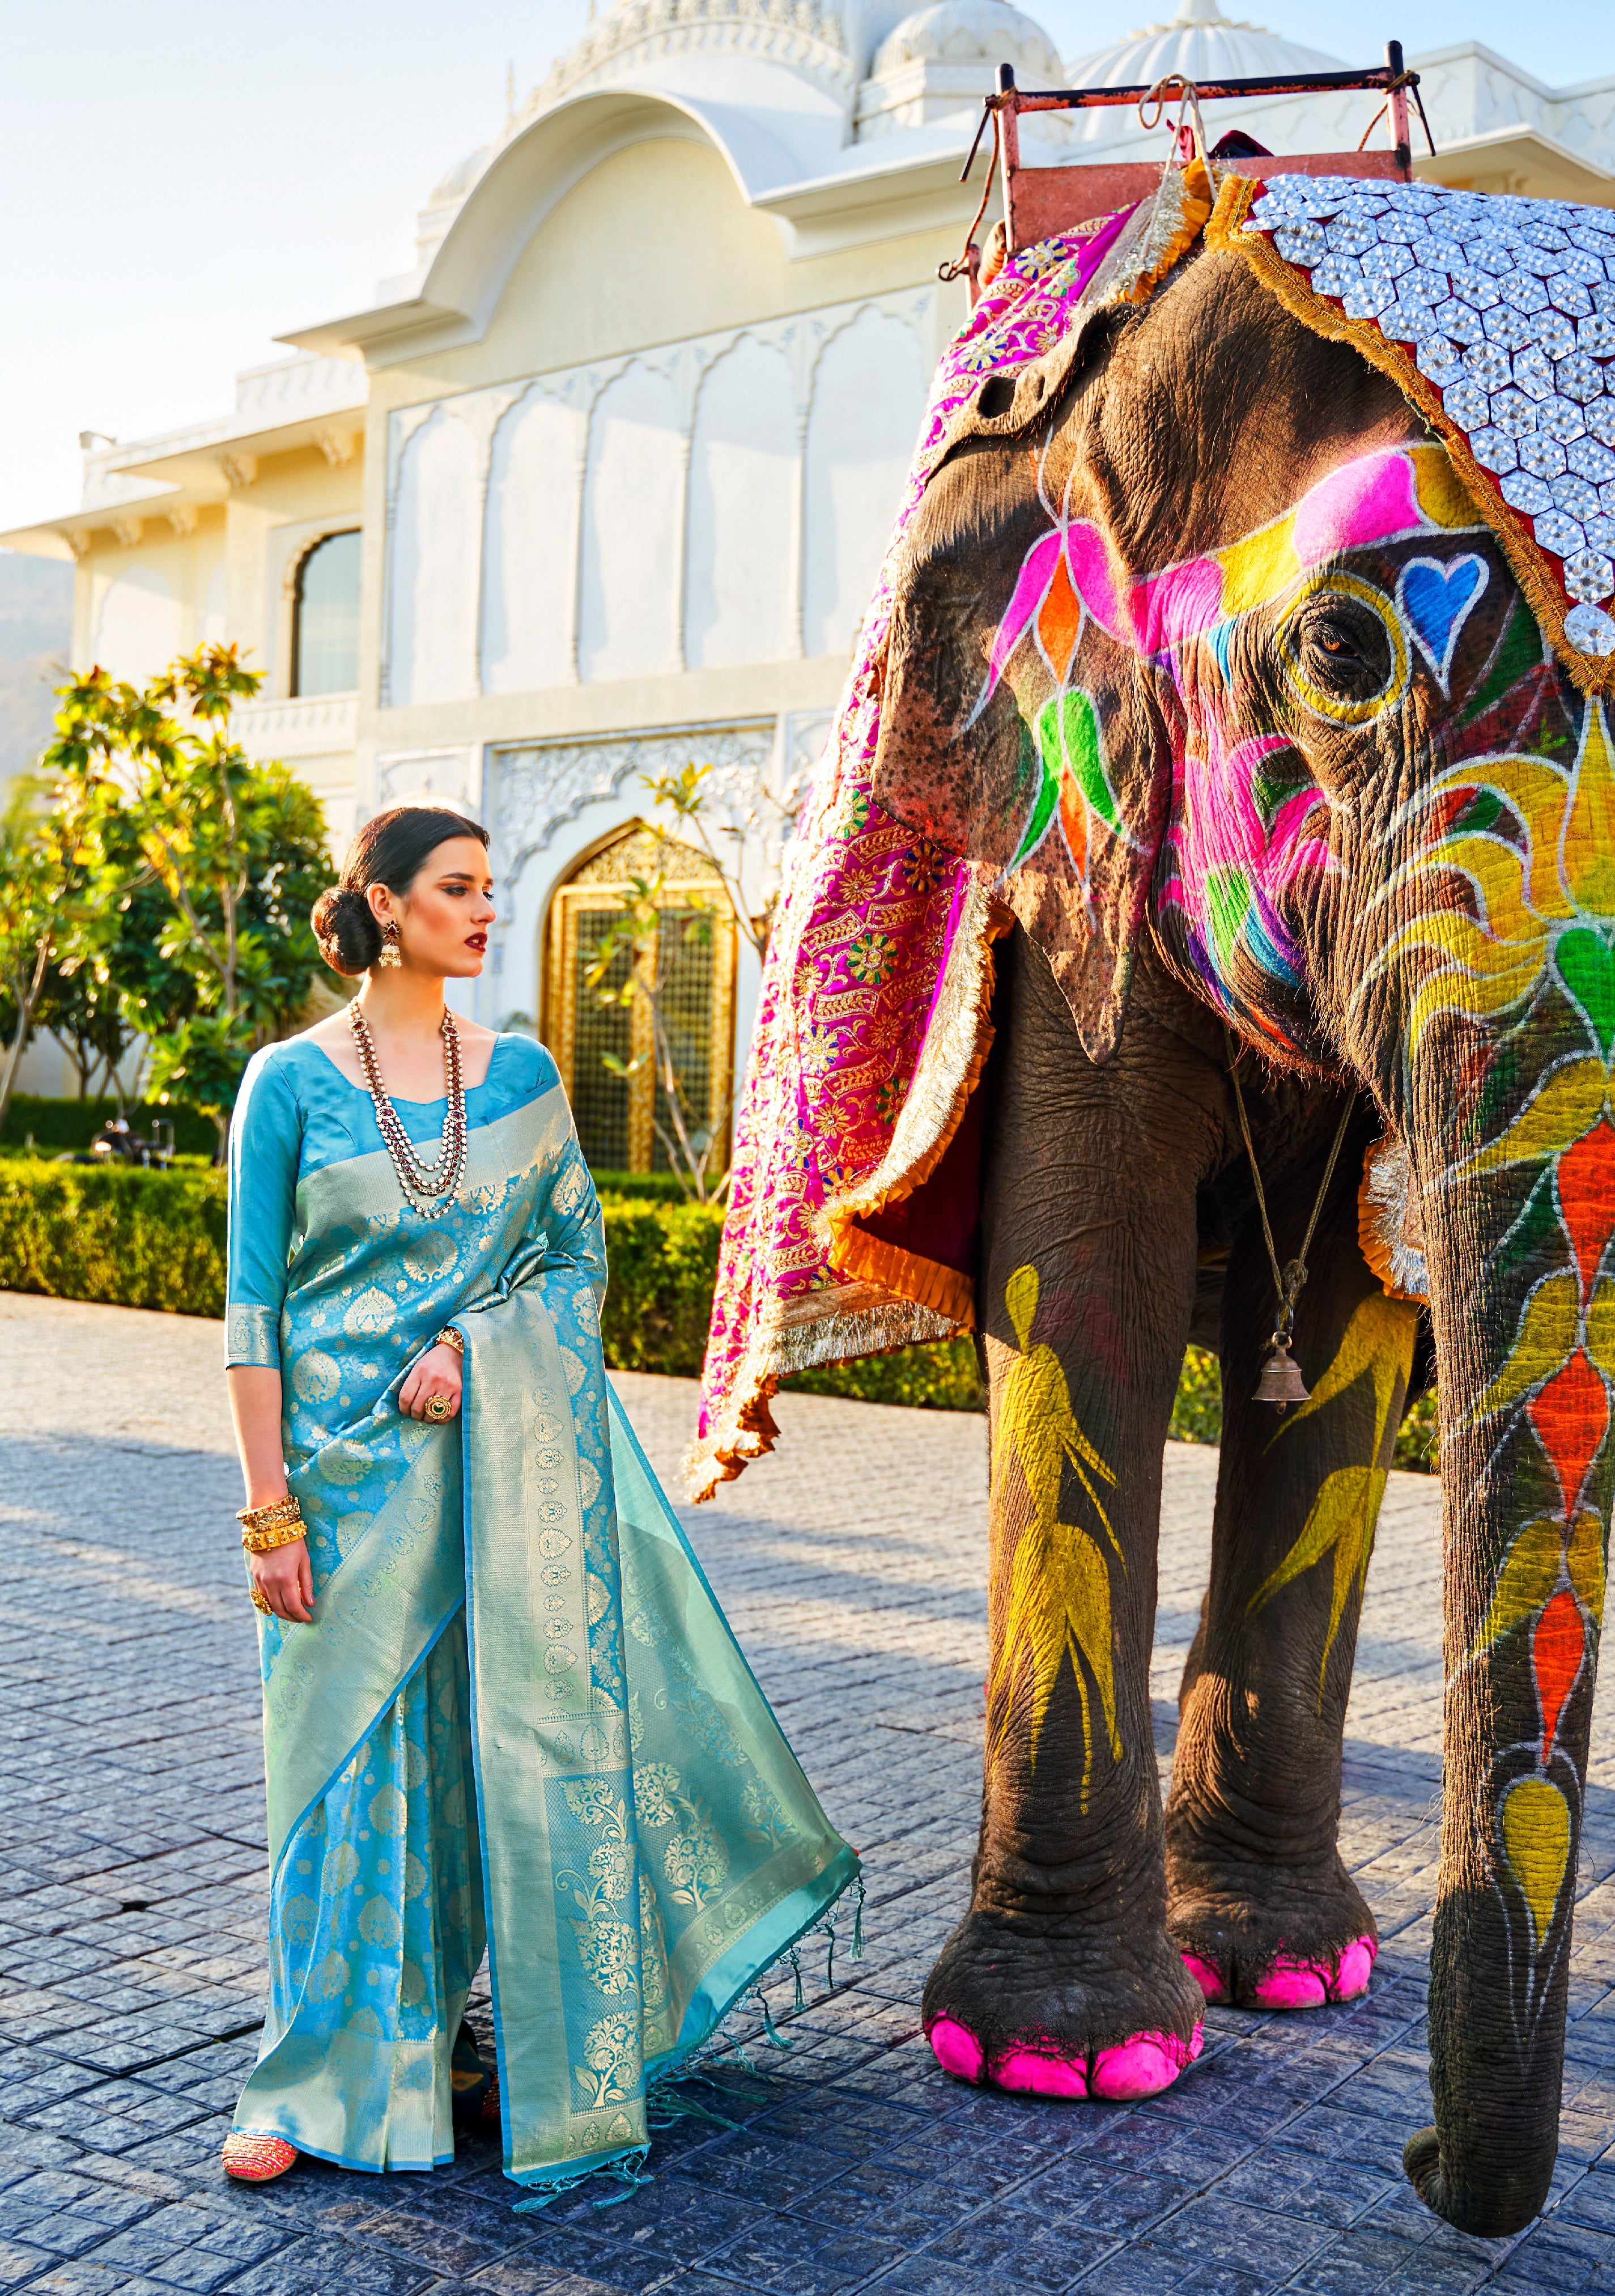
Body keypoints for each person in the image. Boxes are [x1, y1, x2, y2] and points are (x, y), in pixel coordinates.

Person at [220, 804, 857, 2201]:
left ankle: (431, 2044)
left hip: (491, 1486)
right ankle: (310, 2072)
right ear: (384, 908)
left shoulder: (521, 1078)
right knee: (337, 1791)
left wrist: (473, 1345)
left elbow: (575, 1263)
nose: (487, 909)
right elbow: (252, 1313)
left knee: (464, 1772)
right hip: (336, 1496)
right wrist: (269, 1512)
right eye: (459, 889)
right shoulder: (288, 1084)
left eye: (494, 889)